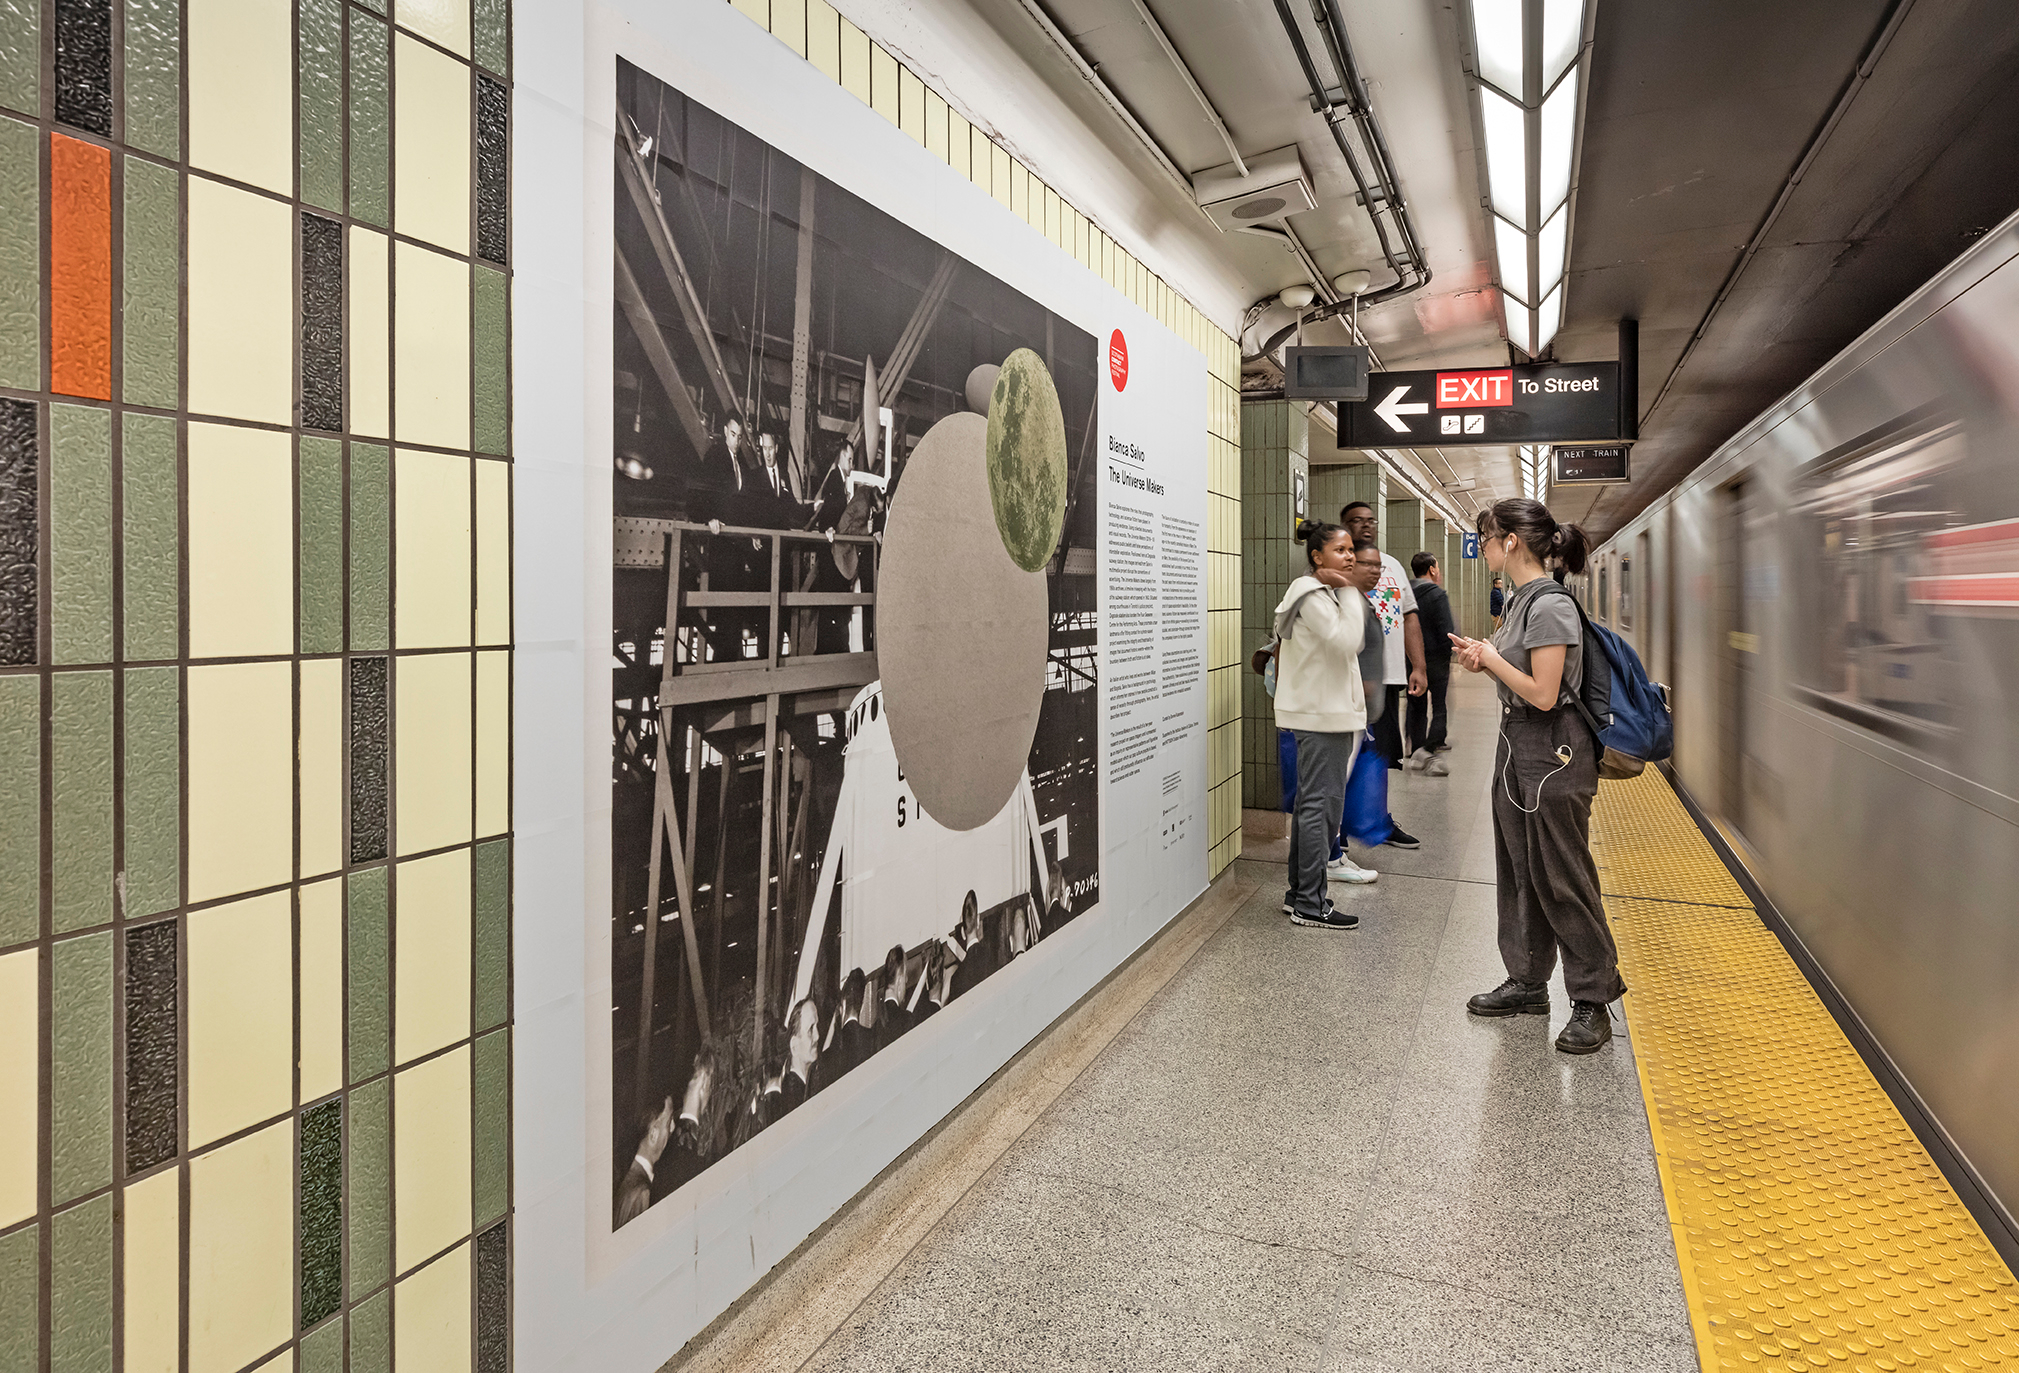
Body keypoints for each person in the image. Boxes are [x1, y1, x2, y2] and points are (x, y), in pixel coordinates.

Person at [1449, 497, 1623, 1055]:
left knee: (1562, 874)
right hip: (1516, 742)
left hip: (1555, 749)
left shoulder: (1549, 605)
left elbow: (1546, 694)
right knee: (1521, 868)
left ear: (1511, 542)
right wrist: (1483, 657)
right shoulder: (1520, 600)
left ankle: (1592, 999)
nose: (1482, 548)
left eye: (1486, 537)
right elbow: (1517, 677)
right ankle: (1528, 980)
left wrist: (1491, 659)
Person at [1273, 522, 1367, 929]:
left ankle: (1299, 895)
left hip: (1320, 713)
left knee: (1313, 806)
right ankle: (1311, 904)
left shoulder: (1314, 594)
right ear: (1317, 557)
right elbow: (1348, 641)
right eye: (1340, 550)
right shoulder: (1313, 596)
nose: (1350, 557)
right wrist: (1349, 590)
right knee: (1320, 809)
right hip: (1322, 717)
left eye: (1351, 550)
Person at [1339, 502, 1425, 846]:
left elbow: (1409, 616)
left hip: (1386, 678)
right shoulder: (1336, 566)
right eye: (1356, 521)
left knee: (1381, 756)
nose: (1365, 526)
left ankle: (1379, 821)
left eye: (1369, 520)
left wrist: (1417, 665)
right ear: (1344, 525)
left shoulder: (1391, 565)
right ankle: (1339, 830)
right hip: (1346, 681)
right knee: (1346, 755)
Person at [1405, 552, 1454, 775]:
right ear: (1432, 570)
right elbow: (1447, 630)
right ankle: (1433, 744)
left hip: (1412, 659)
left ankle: (1415, 748)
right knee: (1439, 704)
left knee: (1415, 705)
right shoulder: (1437, 594)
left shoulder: (1406, 593)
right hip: (1436, 659)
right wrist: (1448, 654)